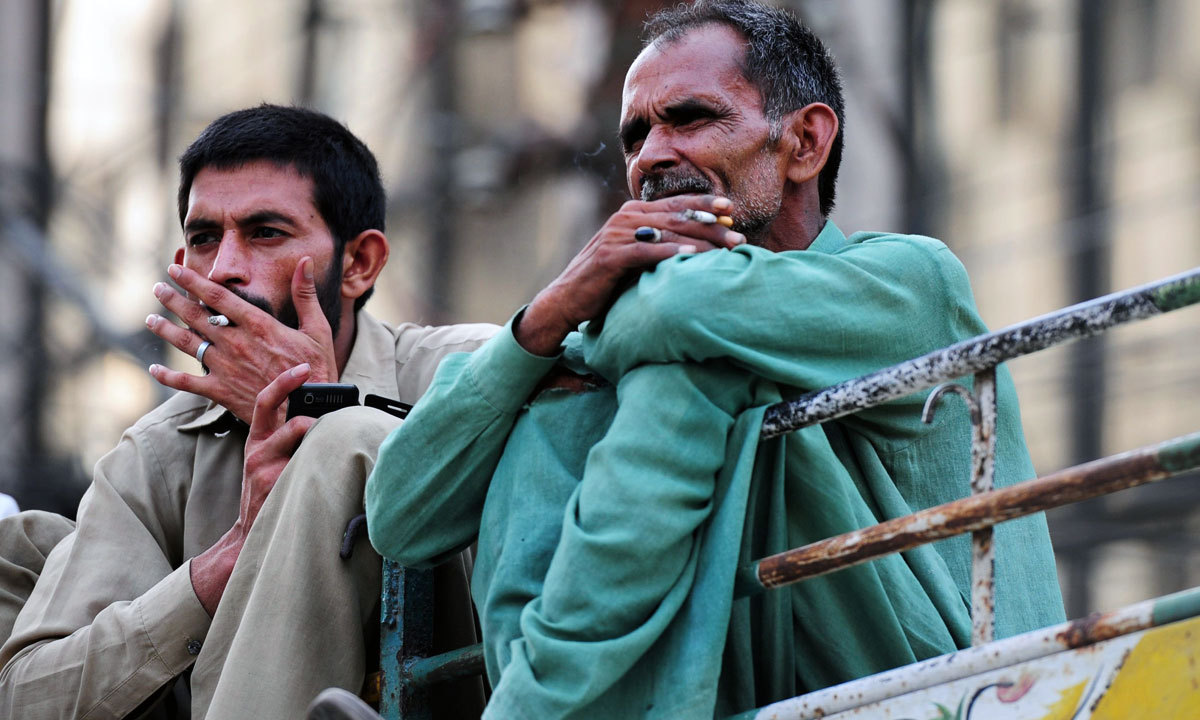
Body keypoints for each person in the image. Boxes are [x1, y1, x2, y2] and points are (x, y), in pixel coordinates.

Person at [362, 2, 1066, 719]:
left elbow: (680, 311)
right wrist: (544, 320)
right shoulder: (615, 327)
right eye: (636, 135)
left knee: (688, 366)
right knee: (555, 400)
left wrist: (593, 313)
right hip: (738, 687)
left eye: (691, 118)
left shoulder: (912, 279)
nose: (652, 156)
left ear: (805, 142)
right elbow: (402, 514)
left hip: (951, 682)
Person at [0, 105, 495, 719]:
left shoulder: (470, 372)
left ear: (360, 263)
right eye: (204, 238)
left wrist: (326, 411)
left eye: (266, 233)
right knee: (19, 550)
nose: (226, 267)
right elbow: (26, 697)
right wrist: (226, 560)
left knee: (351, 439)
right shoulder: (158, 452)